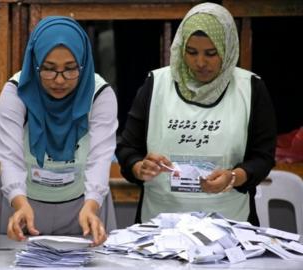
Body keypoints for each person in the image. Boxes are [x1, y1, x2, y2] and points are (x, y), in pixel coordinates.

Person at [116, 2, 276, 225]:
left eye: (211, 53)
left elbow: (263, 157)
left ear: (227, 49)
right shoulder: (157, 84)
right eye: (191, 52)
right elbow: (127, 149)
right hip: (161, 225)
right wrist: (139, 167)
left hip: (228, 224)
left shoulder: (250, 88)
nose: (200, 63)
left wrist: (233, 177)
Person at [0, 16, 118, 246]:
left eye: (70, 69)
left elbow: (100, 158)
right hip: (23, 201)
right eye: (48, 69)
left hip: (85, 202)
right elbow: (10, 156)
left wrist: (91, 205)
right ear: (34, 62)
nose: (59, 80)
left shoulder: (99, 94)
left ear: (84, 63)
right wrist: (19, 203)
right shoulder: (16, 92)